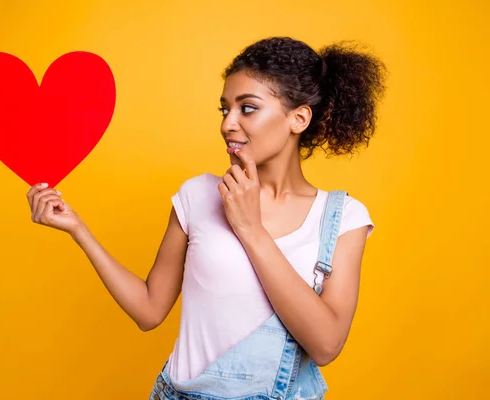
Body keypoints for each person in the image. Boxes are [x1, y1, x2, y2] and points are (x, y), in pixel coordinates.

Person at [26, 36, 386, 399]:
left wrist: (250, 228)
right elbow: (149, 310)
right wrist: (78, 229)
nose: (228, 124)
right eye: (224, 109)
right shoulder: (197, 196)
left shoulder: (343, 218)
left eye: (247, 108)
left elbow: (326, 345)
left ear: (298, 118)